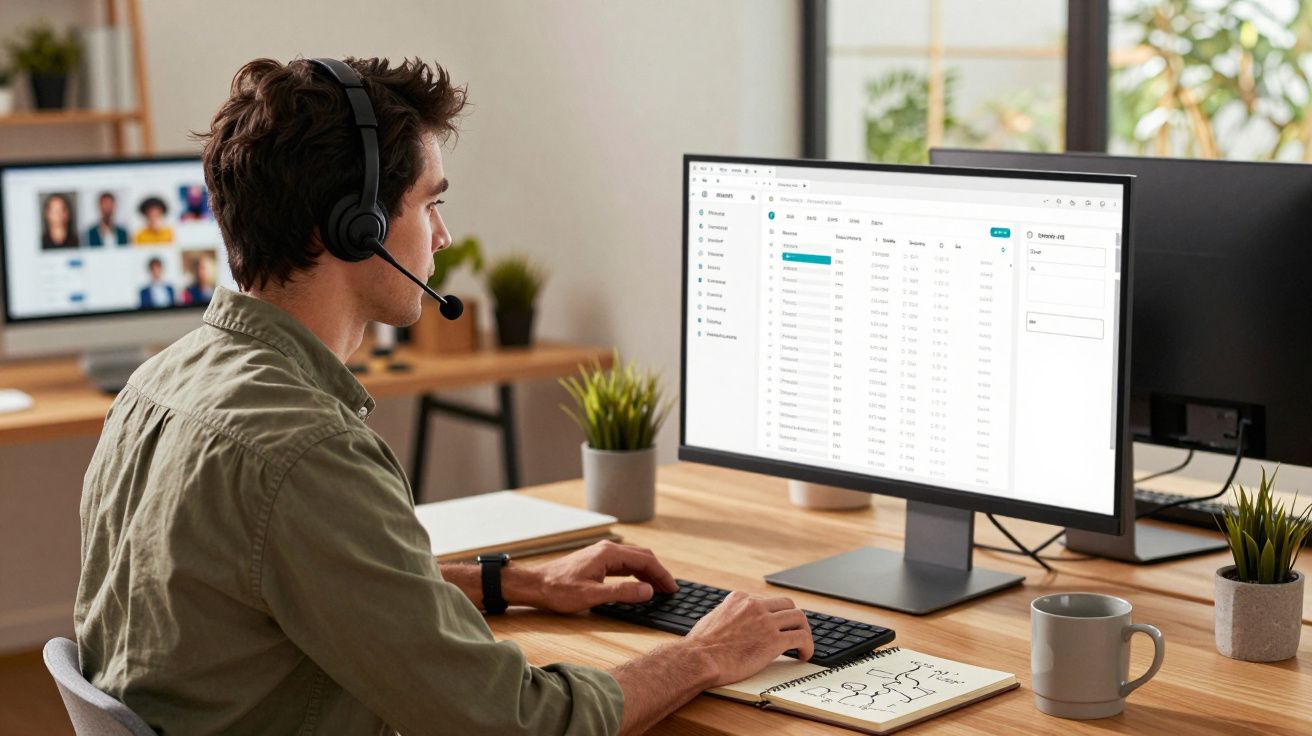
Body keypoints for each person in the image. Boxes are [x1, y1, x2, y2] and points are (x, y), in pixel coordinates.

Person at [76, 57, 812, 736]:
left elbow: (303, 582)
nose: (444, 235)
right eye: (428, 204)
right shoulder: (304, 451)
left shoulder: (159, 383)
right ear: (355, 226)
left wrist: (516, 583)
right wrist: (704, 654)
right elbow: (512, 723)